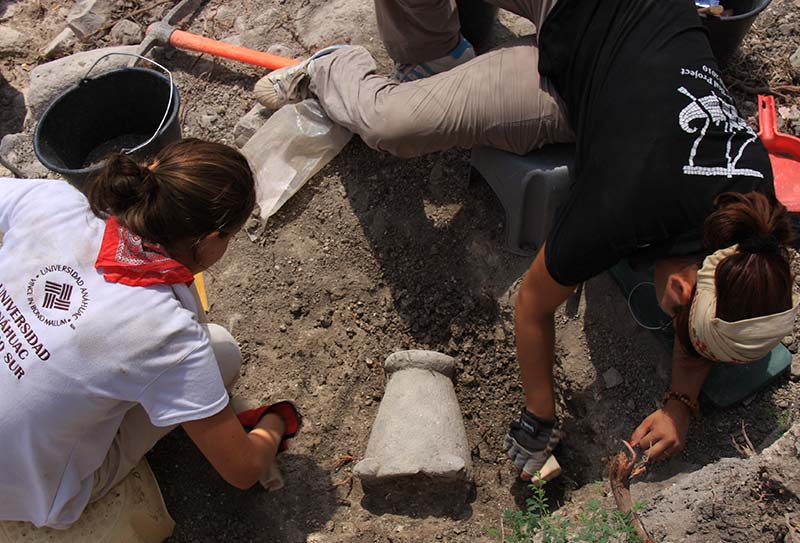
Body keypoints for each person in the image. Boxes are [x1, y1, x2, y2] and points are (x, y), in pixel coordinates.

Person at [254, 0, 799, 479]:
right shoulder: (624, 207)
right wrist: (539, 416)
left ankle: (441, 71)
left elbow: (705, 304)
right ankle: (337, 64)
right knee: (389, 123)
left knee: (417, 116)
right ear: (681, 288)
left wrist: (681, 402)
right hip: (588, 31)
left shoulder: (756, 217)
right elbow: (532, 306)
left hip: (583, 72)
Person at [0, 138, 299, 529]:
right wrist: (275, 424)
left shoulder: (52, 202)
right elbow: (242, 470)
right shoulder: (165, 331)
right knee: (221, 351)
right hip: (28, 494)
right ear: (211, 240)